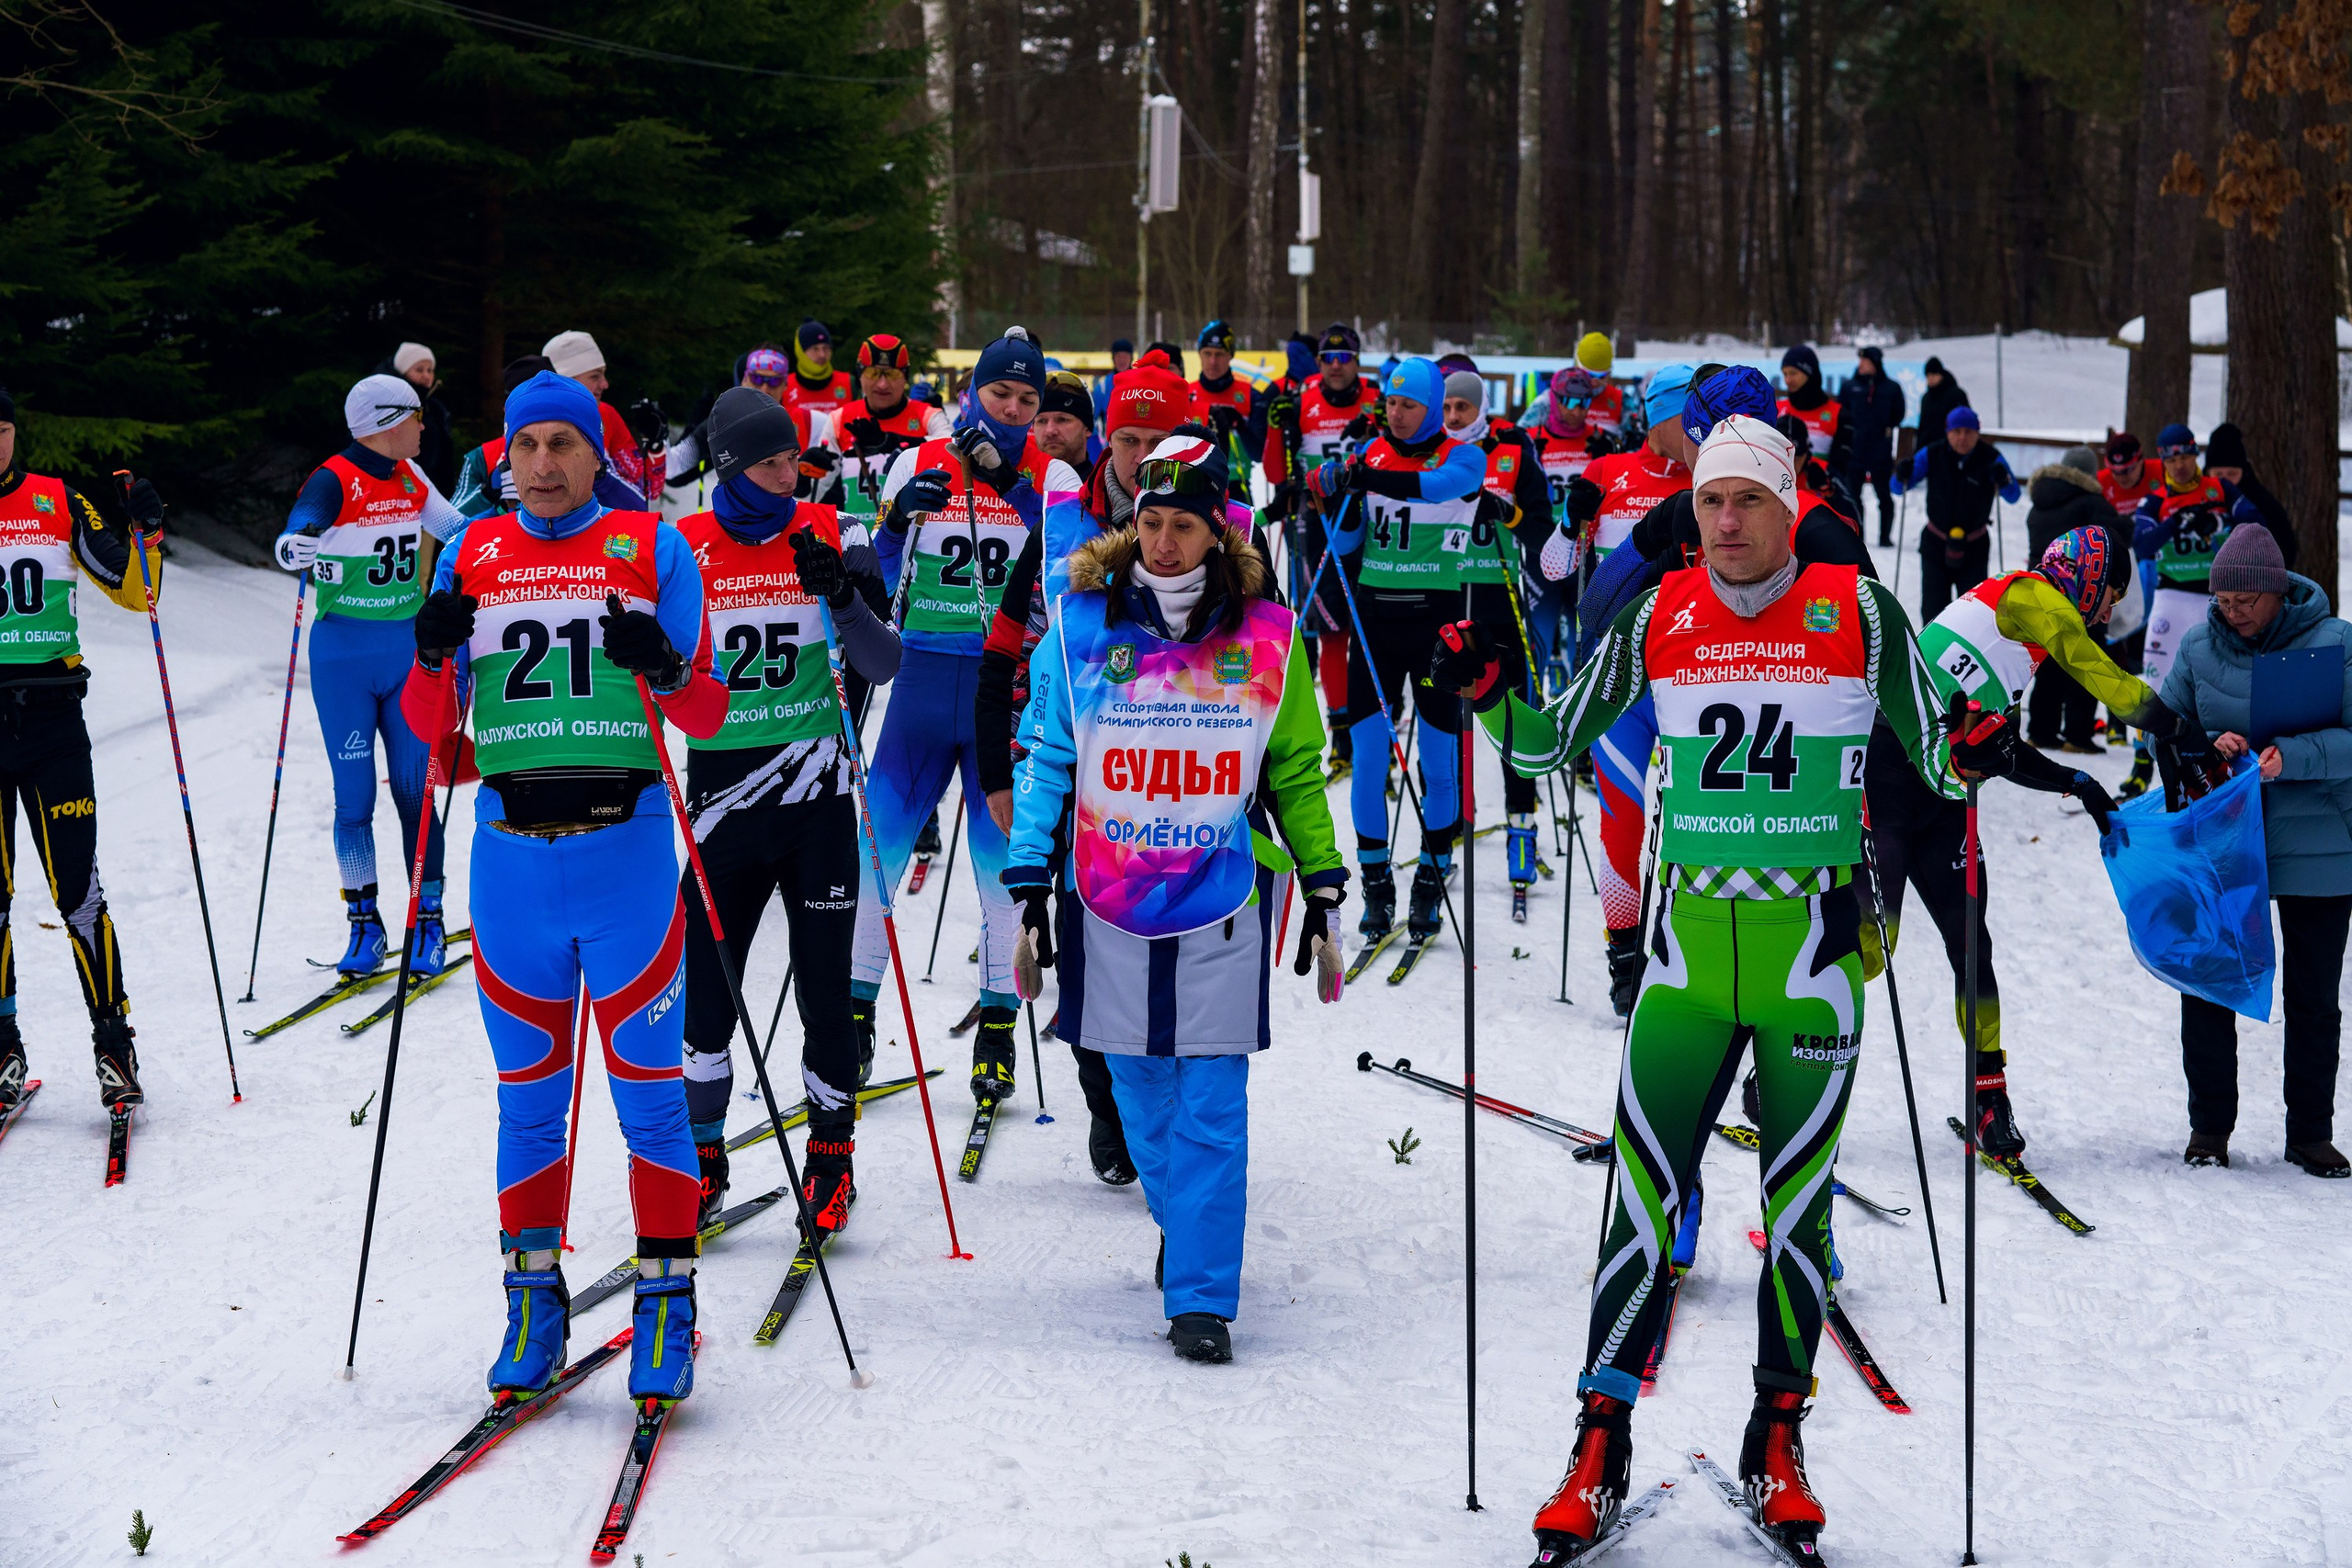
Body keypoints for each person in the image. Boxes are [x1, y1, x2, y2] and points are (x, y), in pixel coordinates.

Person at [1445, 415, 1961, 1566]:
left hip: (1810, 971)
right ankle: (1597, 1444)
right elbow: (1545, 745)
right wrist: (1485, 693)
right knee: (1637, 1199)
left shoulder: (1858, 611)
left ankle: (1777, 1440)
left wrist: (1973, 742)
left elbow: (1941, 756)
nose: (1724, 521)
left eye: (1747, 501)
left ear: (1790, 505)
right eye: (1710, 500)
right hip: (1681, 970)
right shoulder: (1659, 612)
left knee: (1799, 1211)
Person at [401, 368, 726, 1406]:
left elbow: (709, 714)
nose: (543, 464)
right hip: (511, 863)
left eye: (563, 444)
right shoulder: (470, 549)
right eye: (527, 445)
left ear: (596, 454)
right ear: (506, 455)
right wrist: (430, 656)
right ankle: (533, 1306)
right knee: (530, 1102)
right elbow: (435, 749)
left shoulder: (652, 545)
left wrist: (665, 666)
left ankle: (667, 1305)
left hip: (625, 854)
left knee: (651, 1099)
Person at [1002, 430, 1346, 1363]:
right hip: (1106, 899)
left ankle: (1200, 1298)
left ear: (1216, 531)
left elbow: (1295, 770)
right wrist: (1027, 879)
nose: (1162, 543)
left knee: (1214, 1100)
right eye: (1150, 522)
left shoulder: (1268, 637)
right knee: (1141, 1091)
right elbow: (1048, 759)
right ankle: (1182, 1221)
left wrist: (1323, 883)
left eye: (1183, 526)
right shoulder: (1081, 625)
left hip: (1223, 896)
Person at [672, 388, 900, 1233]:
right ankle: (703, 1156)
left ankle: (832, 1160)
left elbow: (883, 663)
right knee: (705, 998)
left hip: (817, 806)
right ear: (731, 467)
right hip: (722, 807)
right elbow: (665, 677)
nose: (788, 476)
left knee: (824, 994)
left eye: (793, 460)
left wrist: (842, 597)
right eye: (769, 463)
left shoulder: (835, 529)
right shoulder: (682, 546)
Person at [1880, 525, 2171, 1157]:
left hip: (1946, 797)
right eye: (2111, 595)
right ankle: (1784, 1065)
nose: (2107, 614)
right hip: (1887, 786)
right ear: (2087, 578)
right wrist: (2170, 726)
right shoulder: (2028, 596)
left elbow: (2000, 747)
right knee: (1873, 946)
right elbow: (2098, 671)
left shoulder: (2021, 643)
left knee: (1971, 945)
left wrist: (2077, 782)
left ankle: (1989, 1100)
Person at [972, 354, 1186, 1184]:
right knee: (1087, 960)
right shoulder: (1064, 523)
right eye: (1128, 440)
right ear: (1108, 443)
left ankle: (1169, 1108)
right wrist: (998, 771)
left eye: (1158, 441)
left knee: (1175, 959)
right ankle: (1109, 1105)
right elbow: (1002, 652)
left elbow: (1267, 670)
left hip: (1182, 787)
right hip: (1081, 782)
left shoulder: (1221, 526)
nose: (1141, 458)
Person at [864, 329, 1084, 1105]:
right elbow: (876, 577)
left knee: (1003, 875)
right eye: (1000, 394)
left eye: (1028, 398)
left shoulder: (1055, 473)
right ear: (973, 392)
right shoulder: (917, 458)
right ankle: (854, 1018)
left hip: (1006, 693)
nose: (1014, 410)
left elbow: (1067, 567)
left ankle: (998, 1027)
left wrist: (1010, 486)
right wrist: (896, 524)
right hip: (922, 682)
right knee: (875, 858)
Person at [2159, 525, 2352, 1178]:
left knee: (2314, 996)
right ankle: (2209, 1128)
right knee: (2209, 984)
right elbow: (2165, 733)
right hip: (2225, 841)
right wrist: (2205, 749)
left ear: (2277, 592)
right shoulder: (2197, 646)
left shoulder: (2336, 641)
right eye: (2223, 600)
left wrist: (2293, 756)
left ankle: (2311, 1133)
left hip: (2319, 839)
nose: (2232, 611)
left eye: (2245, 600)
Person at [0, 388, 162, 1115]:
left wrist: (147, 534)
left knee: (79, 896)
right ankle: (3, 1051)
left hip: (53, 721)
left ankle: (114, 1048)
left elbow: (134, 593)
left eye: (2, 428)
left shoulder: (57, 500)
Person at [275, 373, 465, 978]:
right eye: (416, 415)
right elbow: (299, 526)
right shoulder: (335, 477)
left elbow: (457, 530)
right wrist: (294, 546)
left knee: (414, 792)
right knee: (354, 799)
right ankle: (365, 924)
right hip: (343, 657)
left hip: (407, 653)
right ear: (387, 422)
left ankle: (427, 921)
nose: (424, 425)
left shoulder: (411, 477)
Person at [1309, 355, 1488, 946]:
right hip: (1375, 623)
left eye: (1409, 405)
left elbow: (1436, 488)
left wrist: (1364, 477)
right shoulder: (1371, 454)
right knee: (1368, 760)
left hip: (1436, 624)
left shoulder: (1464, 456)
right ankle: (1376, 882)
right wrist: (1333, 496)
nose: (1397, 414)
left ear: (1432, 408)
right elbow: (1346, 540)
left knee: (1438, 763)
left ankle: (1430, 880)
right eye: (1390, 402)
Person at [1559, 366, 1696, 1010]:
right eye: (1681, 415)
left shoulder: (1712, 481)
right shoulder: (1608, 471)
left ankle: (1690, 939)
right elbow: (1556, 569)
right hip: (1620, 680)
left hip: (1691, 678)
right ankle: (1624, 952)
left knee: (1698, 818)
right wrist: (1570, 521)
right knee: (1621, 821)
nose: (1693, 428)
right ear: (1655, 414)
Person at [1442, 367, 1564, 910]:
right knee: (1447, 724)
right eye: (1446, 409)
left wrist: (1507, 512)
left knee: (1512, 719)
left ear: (1481, 408)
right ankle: (1449, 828)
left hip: (1501, 598)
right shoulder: (1431, 451)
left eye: (1462, 409)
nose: (1453, 418)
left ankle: (1522, 831)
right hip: (1445, 595)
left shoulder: (1512, 448)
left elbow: (1541, 527)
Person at [1265, 323, 1381, 776]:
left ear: (1357, 361)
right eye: (1328, 359)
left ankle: (1373, 731)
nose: (1336, 366)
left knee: (1372, 632)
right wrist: (1276, 427)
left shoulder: (1376, 399)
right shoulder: (1302, 401)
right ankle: (1342, 736)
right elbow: (1276, 473)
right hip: (1319, 522)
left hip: (1372, 519)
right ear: (1318, 363)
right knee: (1333, 632)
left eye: (1344, 358)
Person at [2022, 446, 2122, 750]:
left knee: (2049, 663)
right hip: (2084, 593)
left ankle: (2041, 731)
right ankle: (2078, 735)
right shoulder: (2092, 503)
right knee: (2085, 661)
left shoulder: (2040, 499)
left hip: (2043, 590)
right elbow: (2117, 538)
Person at [1893, 407, 2018, 622]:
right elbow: (1898, 488)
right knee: (1932, 611)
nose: (1962, 438)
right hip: (1936, 543)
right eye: (1956, 431)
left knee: (1973, 614)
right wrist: (1901, 473)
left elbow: (2013, 496)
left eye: (1968, 432)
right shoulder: (1932, 453)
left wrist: (2004, 481)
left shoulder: (1991, 457)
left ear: (1977, 432)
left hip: (1975, 546)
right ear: (1947, 431)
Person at [830, 334, 953, 524]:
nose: (882, 384)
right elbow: (815, 490)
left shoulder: (928, 416)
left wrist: (894, 442)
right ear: (860, 374)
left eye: (893, 374)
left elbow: (951, 449)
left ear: (906, 376)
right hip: (855, 537)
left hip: (910, 536)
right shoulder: (840, 418)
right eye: (873, 373)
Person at [543, 331, 648, 499]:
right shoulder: (532, 422)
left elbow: (646, 488)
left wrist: (655, 445)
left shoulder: (605, 414)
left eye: (603, 374)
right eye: (594, 376)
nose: (605, 384)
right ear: (567, 380)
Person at [2199, 422, 2297, 570]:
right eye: (2218, 474)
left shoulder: (2261, 503)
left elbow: (2286, 549)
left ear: (2243, 472)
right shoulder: (2195, 499)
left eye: (2232, 474)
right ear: (2207, 473)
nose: (2225, 480)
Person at [1836, 344, 1905, 546]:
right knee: (1853, 497)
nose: (1861, 364)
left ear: (1875, 363)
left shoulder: (1891, 388)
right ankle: (1858, 536)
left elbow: (1898, 413)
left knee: (1884, 496)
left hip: (1880, 452)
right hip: (1855, 452)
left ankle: (1885, 537)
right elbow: (1841, 412)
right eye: (1860, 360)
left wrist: (1884, 428)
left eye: (1865, 361)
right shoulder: (1850, 386)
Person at [1189, 319, 1258, 491]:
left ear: (1230, 355)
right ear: (1199, 354)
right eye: (1207, 353)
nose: (1213, 361)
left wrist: (1240, 426)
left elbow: (1259, 455)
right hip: (1193, 484)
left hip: (1237, 485)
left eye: (1219, 354)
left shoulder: (1249, 394)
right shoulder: (1187, 393)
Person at [381, 342, 458, 493]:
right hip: (401, 486)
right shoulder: (389, 404)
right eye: (419, 370)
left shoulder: (435, 407)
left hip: (434, 488)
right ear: (403, 371)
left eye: (430, 370)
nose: (426, 376)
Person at [1774, 344, 1851, 477]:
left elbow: (1842, 466)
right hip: (1779, 487)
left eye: (1793, 373)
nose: (1787, 380)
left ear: (1809, 374)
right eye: (1785, 374)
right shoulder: (1777, 408)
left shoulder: (1838, 413)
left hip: (1818, 488)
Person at [783, 320, 855, 421]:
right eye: (815, 349)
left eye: (826, 348)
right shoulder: (783, 386)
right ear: (801, 352)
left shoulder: (849, 383)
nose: (822, 354)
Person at [1032, 369, 1099, 477]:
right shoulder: (1017, 484)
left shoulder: (1105, 485)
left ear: (1088, 428)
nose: (1050, 431)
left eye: (1062, 420)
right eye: (1042, 421)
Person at [1917, 355, 1970, 445]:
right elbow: (1922, 426)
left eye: (1934, 375)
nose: (1931, 379)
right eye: (1928, 376)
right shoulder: (1926, 398)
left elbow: (1966, 420)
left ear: (1941, 375)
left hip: (1951, 445)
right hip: (1929, 446)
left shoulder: (1956, 394)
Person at [1091, 338, 1136, 422]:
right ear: (1113, 358)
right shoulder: (1103, 388)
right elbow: (1093, 419)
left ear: (1131, 358)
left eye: (1125, 356)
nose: (1122, 361)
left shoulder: (1140, 383)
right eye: (1118, 356)